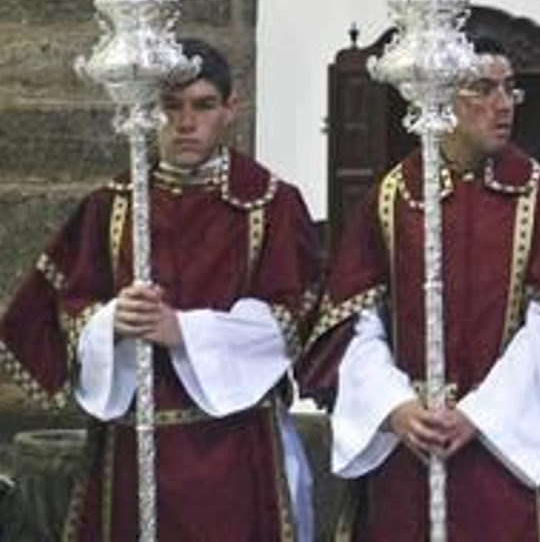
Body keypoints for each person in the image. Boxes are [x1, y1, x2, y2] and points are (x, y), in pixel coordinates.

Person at [299, 37, 540, 538]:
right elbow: (357, 322)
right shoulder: (392, 199)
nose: (502, 106)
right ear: (440, 97)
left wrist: (478, 414)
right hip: (411, 444)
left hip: (507, 446)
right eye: (482, 89)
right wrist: (397, 407)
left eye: (509, 90)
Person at [0, 38, 322, 540]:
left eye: (202, 106)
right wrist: (110, 321)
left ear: (230, 109)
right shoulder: (113, 205)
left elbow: (292, 319)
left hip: (236, 446)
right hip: (131, 445)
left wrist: (184, 331)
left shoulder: (269, 205)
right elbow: (64, 308)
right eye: (169, 107)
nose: (185, 123)